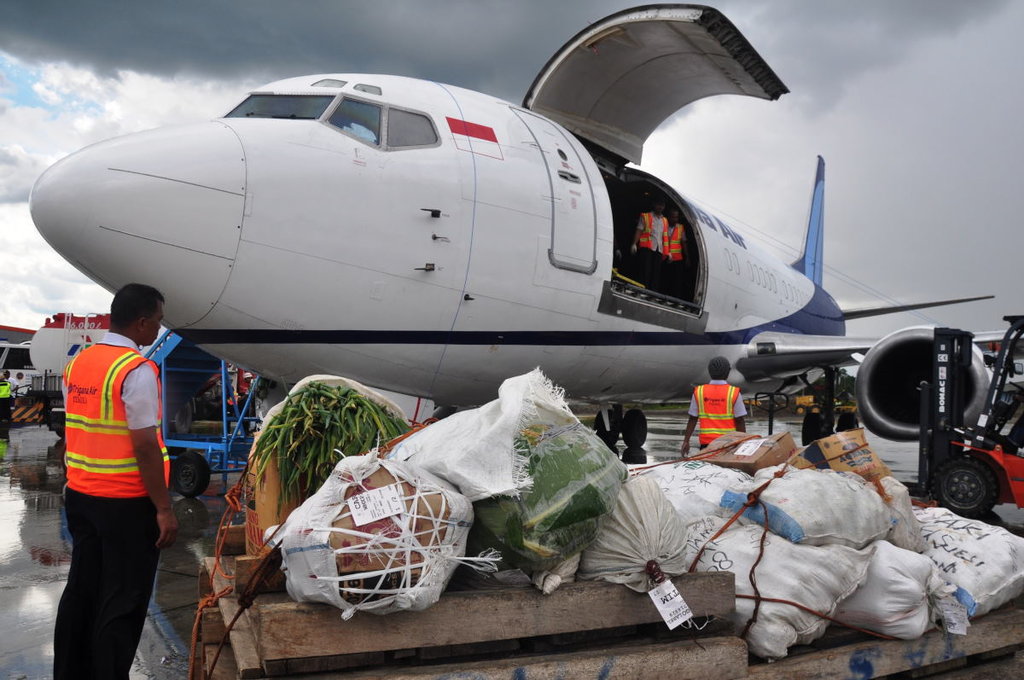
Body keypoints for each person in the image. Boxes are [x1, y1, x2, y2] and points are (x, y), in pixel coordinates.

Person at [53, 283, 178, 680]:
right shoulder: (135, 370)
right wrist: (163, 508)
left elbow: (73, 428)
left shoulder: (79, 363)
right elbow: (144, 445)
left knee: (82, 590)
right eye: (157, 322)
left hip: (82, 495)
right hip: (126, 502)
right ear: (141, 323)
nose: (158, 331)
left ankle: (69, 672)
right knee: (123, 599)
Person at [681, 356, 746, 456]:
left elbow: (692, 418)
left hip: (707, 445)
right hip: (728, 443)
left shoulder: (699, 392)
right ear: (728, 372)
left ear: (709, 371)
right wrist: (742, 441)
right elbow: (739, 420)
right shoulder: (734, 392)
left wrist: (686, 440)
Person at [630, 198, 669, 292]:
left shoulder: (665, 220)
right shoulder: (646, 216)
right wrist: (634, 243)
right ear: (654, 205)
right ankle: (642, 290)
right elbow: (639, 229)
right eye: (658, 204)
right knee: (645, 270)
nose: (660, 207)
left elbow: (665, 236)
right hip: (647, 247)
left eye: (662, 205)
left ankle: (652, 292)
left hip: (659, 249)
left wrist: (668, 252)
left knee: (656, 273)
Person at [663, 209, 689, 300]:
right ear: (669, 217)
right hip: (665, 256)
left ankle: (676, 298)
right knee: (665, 278)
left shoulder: (680, 228)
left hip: (677, 259)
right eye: (673, 217)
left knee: (677, 280)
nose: (675, 219)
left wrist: (687, 257)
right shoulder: (664, 225)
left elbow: (684, 242)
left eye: (676, 217)